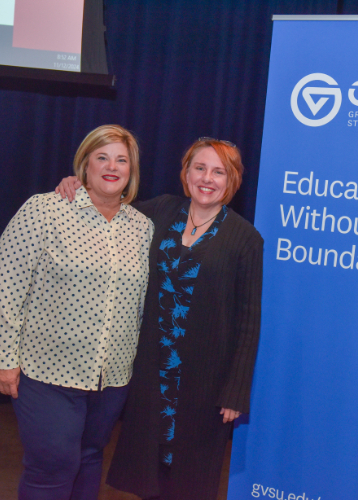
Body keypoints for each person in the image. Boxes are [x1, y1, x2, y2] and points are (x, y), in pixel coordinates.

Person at [56, 137, 263, 500]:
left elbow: (248, 320)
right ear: (186, 174)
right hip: (151, 374)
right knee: (148, 475)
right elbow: (108, 203)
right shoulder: (159, 211)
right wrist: (77, 184)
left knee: (190, 479)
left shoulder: (246, 238)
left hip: (206, 381)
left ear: (232, 181)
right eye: (199, 168)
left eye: (219, 172)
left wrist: (235, 391)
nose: (207, 178)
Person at [0, 125, 154, 500]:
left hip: (111, 378)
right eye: (101, 157)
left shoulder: (143, 227)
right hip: (48, 373)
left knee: (88, 458)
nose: (112, 166)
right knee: (52, 467)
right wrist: (5, 358)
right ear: (84, 164)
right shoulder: (45, 210)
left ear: (132, 171)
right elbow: (7, 287)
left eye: (121, 159)